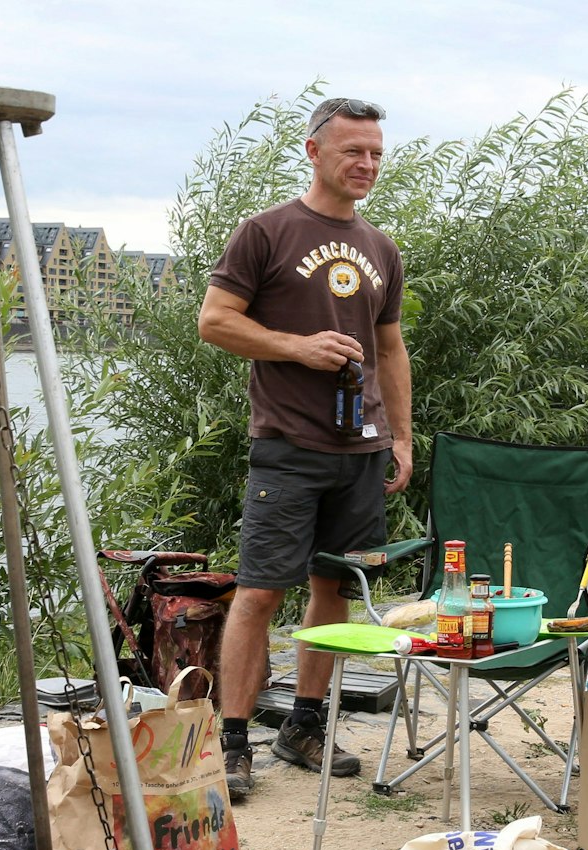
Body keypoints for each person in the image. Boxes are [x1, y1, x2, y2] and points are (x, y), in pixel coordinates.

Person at [198, 97, 414, 799]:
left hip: (362, 451)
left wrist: (403, 435)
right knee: (259, 591)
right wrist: (297, 347)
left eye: (377, 153)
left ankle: (304, 724)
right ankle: (232, 740)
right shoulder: (265, 232)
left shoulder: (381, 248)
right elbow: (215, 322)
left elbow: (390, 348)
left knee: (334, 592)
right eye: (354, 150)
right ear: (314, 150)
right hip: (287, 445)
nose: (368, 164)